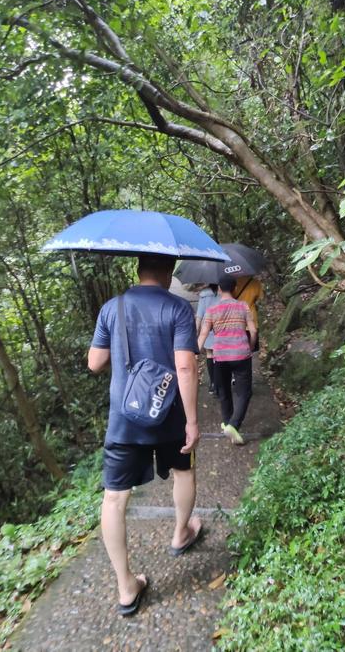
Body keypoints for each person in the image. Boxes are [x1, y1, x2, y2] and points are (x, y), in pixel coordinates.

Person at [88, 254, 201, 617]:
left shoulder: (112, 307)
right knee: (183, 472)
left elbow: (94, 363)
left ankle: (126, 587)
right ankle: (181, 533)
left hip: (125, 418)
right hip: (169, 414)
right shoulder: (179, 308)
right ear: (168, 273)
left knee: (114, 499)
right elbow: (185, 365)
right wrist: (193, 421)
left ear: (138, 270)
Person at [197, 277, 257, 446]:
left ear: (219, 290)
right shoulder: (243, 306)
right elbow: (252, 331)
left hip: (221, 356)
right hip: (241, 355)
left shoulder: (212, 309)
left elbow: (203, 334)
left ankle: (228, 422)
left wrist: (195, 352)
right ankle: (233, 424)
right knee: (244, 392)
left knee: (223, 391)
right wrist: (250, 346)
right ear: (235, 288)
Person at [195, 284, 219, 393]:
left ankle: (213, 383)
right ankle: (220, 383)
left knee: (210, 354)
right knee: (220, 356)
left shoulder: (204, 294)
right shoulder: (223, 292)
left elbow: (199, 315)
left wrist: (196, 330)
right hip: (221, 326)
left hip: (207, 327)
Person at [232, 276, 264, 351]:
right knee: (252, 349)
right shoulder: (255, 283)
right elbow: (260, 299)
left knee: (238, 350)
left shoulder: (232, 282)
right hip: (251, 318)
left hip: (236, 319)